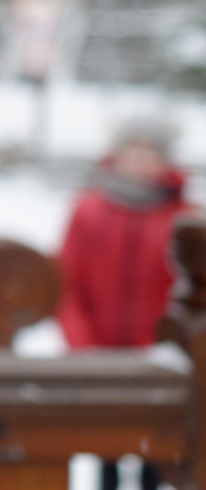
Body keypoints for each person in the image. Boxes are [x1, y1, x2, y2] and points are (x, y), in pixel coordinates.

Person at [58, 118, 192, 490]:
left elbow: (188, 290)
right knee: (106, 449)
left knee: (155, 451)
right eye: (133, 152)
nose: (141, 161)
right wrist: (81, 344)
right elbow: (67, 283)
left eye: (151, 154)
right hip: (97, 360)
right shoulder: (88, 212)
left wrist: (168, 347)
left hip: (159, 363)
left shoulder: (183, 219)